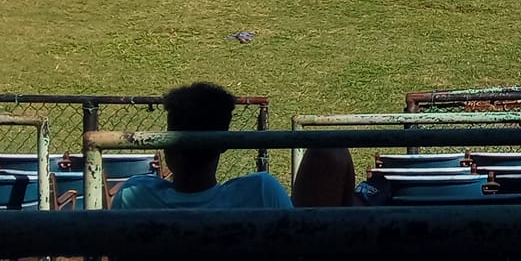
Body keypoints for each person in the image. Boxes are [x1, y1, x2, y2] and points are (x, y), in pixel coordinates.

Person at [111, 82, 359, 210]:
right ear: (224, 143)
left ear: (167, 144)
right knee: (331, 151)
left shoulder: (133, 195)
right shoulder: (261, 192)